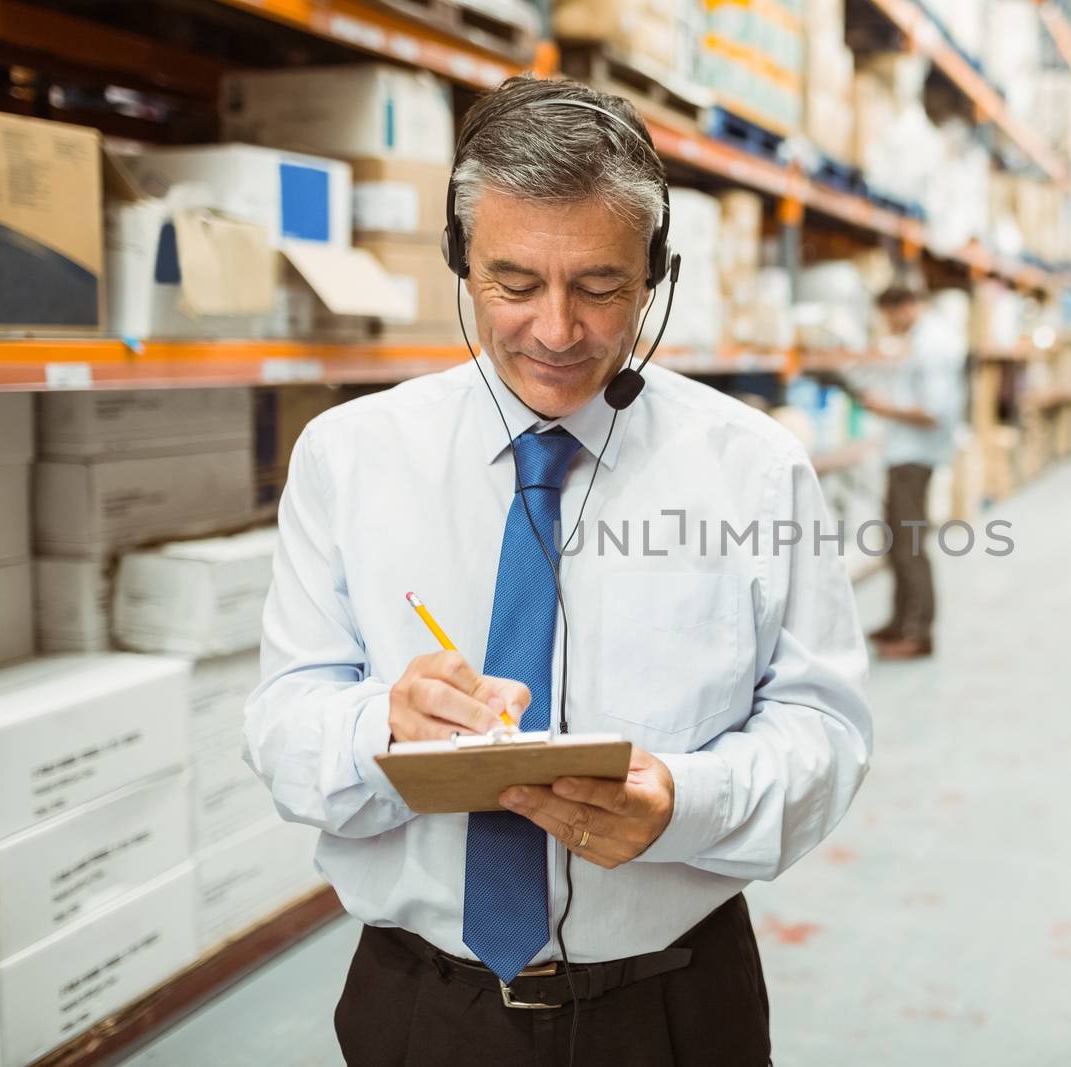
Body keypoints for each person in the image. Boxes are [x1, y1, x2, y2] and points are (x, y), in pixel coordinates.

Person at [245, 76, 872, 1066]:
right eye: (514, 282)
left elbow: (824, 731)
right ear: (460, 262)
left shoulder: (751, 469)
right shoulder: (350, 456)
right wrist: (384, 727)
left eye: (599, 285)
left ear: (655, 274)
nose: (556, 330)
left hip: (675, 1008)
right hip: (422, 1007)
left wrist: (684, 800)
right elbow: (284, 724)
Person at [859, 287, 967, 661]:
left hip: (914, 457)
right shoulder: (923, 337)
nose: (888, 324)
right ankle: (900, 619)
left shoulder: (933, 343)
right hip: (905, 454)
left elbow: (933, 410)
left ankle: (919, 633)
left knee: (909, 545)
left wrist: (883, 408)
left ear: (904, 307)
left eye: (889, 315)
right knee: (896, 541)